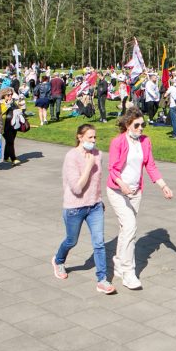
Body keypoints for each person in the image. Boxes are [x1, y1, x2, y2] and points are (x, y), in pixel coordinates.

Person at [106, 107, 174, 290]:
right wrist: (122, 185)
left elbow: (150, 165)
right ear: (128, 125)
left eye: (143, 125)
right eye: (137, 125)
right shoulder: (118, 142)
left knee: (125, 229)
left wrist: (163, 186)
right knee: (130, 227)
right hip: (117, 191)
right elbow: (112, 169)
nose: (141, 128)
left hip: (136, 192)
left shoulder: (145, 142)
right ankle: (129, 272)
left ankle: (119, 262)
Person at [51, 124, 116, 294]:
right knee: (71, 241)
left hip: (94, 206)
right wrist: (88, 166)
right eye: (90, 137)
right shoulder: (71, 157)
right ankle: (58, 261)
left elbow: (97, 181)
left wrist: (99, 200)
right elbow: (77, 188)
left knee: (99, 243)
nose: (93, 141)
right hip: (75, 206)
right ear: (80, 137)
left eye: (95, 137)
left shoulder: (98, 154)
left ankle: (102, 280)